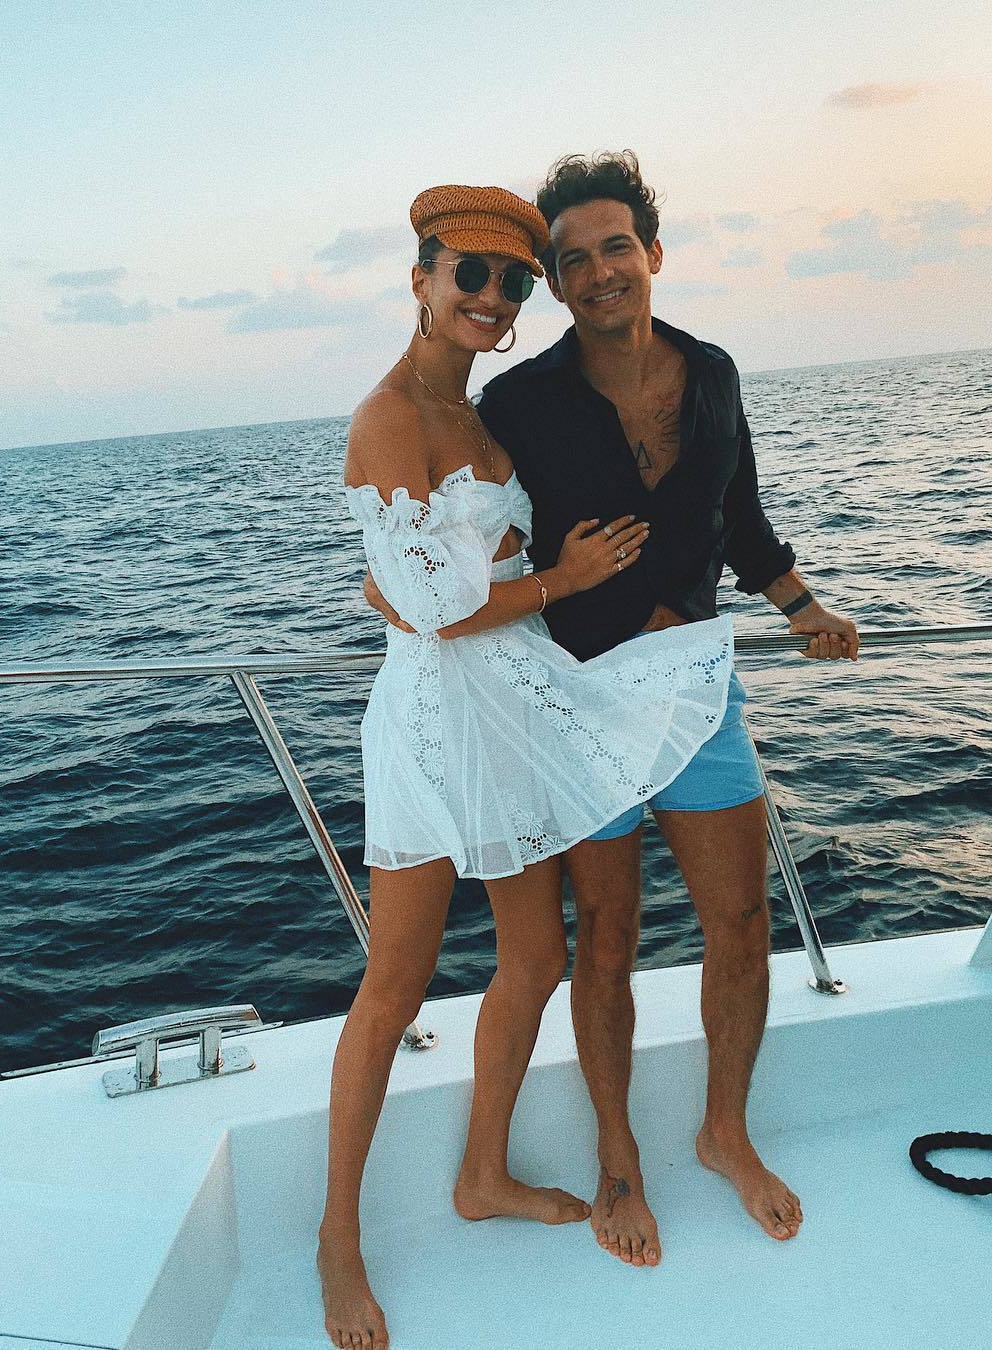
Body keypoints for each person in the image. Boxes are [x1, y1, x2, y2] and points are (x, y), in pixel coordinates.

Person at [369, 152, 861, 1269]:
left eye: (616, 247)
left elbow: (741, 519)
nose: (599, 272)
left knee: (742, 921)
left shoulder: (714, 373)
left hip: (695, 689)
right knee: (607, 938)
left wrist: (802, 605)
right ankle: (619, 1158)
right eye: (573, 259)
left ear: (653, 255)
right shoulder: (516, 402)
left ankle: (725, 1132)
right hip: (579, 700)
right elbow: (449, 532)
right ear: (552, 281)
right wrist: (388, 590)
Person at [320, 183, 736, 1350]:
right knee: (395, 982)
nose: (493, 296)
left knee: (540, 956)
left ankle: (482, 1174)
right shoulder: (388, 415)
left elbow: (416, 577)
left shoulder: (479, 414)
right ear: (420, 279)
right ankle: (338, 1239)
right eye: (470, 273)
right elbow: (435, 607)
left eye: (512, 280)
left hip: (518, 703)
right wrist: (564, 579)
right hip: (436, 723)